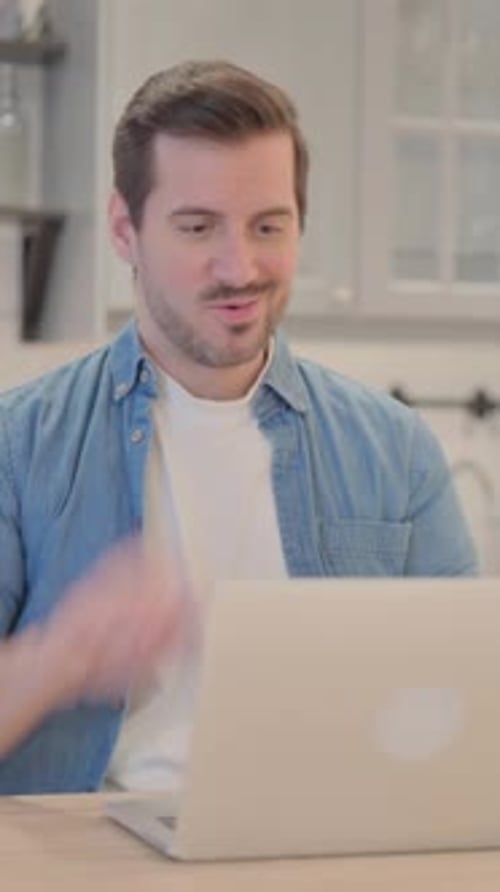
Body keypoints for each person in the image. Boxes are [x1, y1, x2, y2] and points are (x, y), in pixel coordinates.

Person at [0, 59, 477, 794]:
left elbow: (468, 713)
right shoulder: (18, 446)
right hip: (90, 853)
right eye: (198, 227)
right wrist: (59, 656)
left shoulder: (396, 451)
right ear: (126, 229)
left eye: (268, 226)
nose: (240, 265)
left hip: (322, 846)